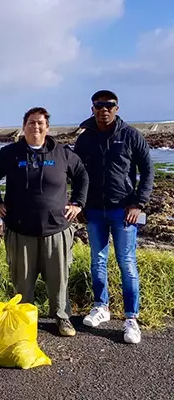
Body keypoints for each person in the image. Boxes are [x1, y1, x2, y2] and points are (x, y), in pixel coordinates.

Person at [0, 107, 89, 337]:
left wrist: (78, 203)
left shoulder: (62, 153)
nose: (36, 127)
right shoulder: (11, 153)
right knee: (22, 280)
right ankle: (24, 319)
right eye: (31, 123)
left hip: (57, 228)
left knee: (58, 278)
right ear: (24, 127)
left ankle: (62, 318)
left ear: (47, 127)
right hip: (20, 228)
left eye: (40, 123)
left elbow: (82, 174)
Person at [74, 90, 154, 344]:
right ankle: (101, 307)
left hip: (123, 210)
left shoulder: (131, 136)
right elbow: (77, 173)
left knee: (126, 263)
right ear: (92, 108)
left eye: (109, 105)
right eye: (99, 105)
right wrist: (79, 203)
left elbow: (148, 170)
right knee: (97, 260)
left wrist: (138, 203)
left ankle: (131, 318)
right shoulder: (85, 139)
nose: (104, 109)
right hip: (95, 210)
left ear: (117, 108)